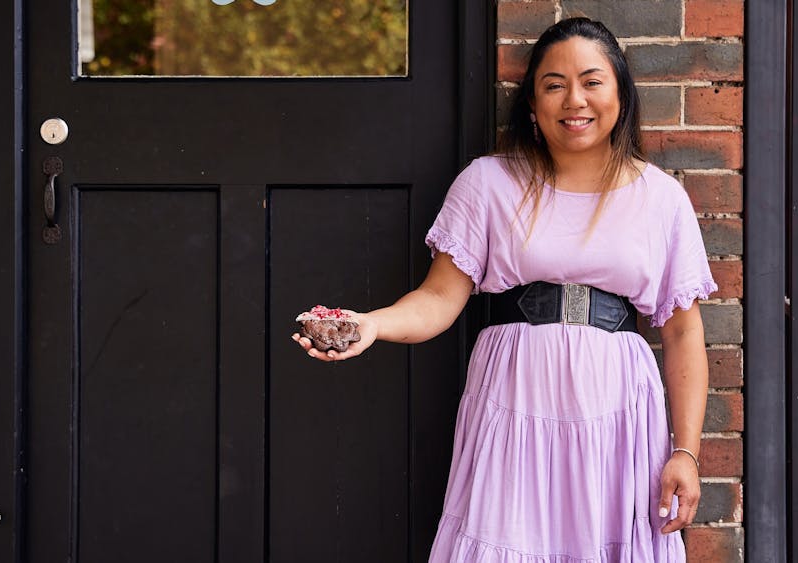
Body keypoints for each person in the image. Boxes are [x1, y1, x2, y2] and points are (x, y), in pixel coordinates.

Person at [292, 17, 714, 562]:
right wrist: (372, 324)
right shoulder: (488, 183)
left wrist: (686, 453)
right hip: (515, 396)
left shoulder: (662, 200)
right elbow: (440, 298)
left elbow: (682, 333)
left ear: (621, 94)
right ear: (533, 104)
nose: (574, 100)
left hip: (619, 412)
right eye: (554, 85)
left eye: (592, 81)